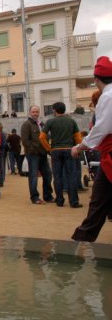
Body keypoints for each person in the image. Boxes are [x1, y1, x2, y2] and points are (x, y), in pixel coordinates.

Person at [72, 56, 112, 241]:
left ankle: (81, 240)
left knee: (98, 202)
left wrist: (81, 146)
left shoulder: (108, 96)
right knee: (99, 201)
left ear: (96, 80)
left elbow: (101, 128)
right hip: (107, 155)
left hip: (110, 156)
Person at [39, 101, 83, 208]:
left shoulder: (50, 121)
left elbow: (42, 137)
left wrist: (49, 149)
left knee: (57, 176)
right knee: (71, 176)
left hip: (55, 150)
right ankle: (74, 202)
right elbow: (78, 137)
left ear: (54, 110)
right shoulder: (71, 121)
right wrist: (78, 149)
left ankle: (59, 200)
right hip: (69, 149)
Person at [21, 105, 54, 205]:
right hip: (33, 154)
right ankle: (35, 197)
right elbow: (25, 140)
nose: (35, 113)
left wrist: (48, 149)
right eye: (33, 112)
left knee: (48, 175)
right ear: (30, 112)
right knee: (33, 176)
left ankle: (48, 196)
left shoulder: (41, 124)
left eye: (37, 112)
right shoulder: (27, 124)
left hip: (43, 153)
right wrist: (32, 150)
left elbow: (46, 138)